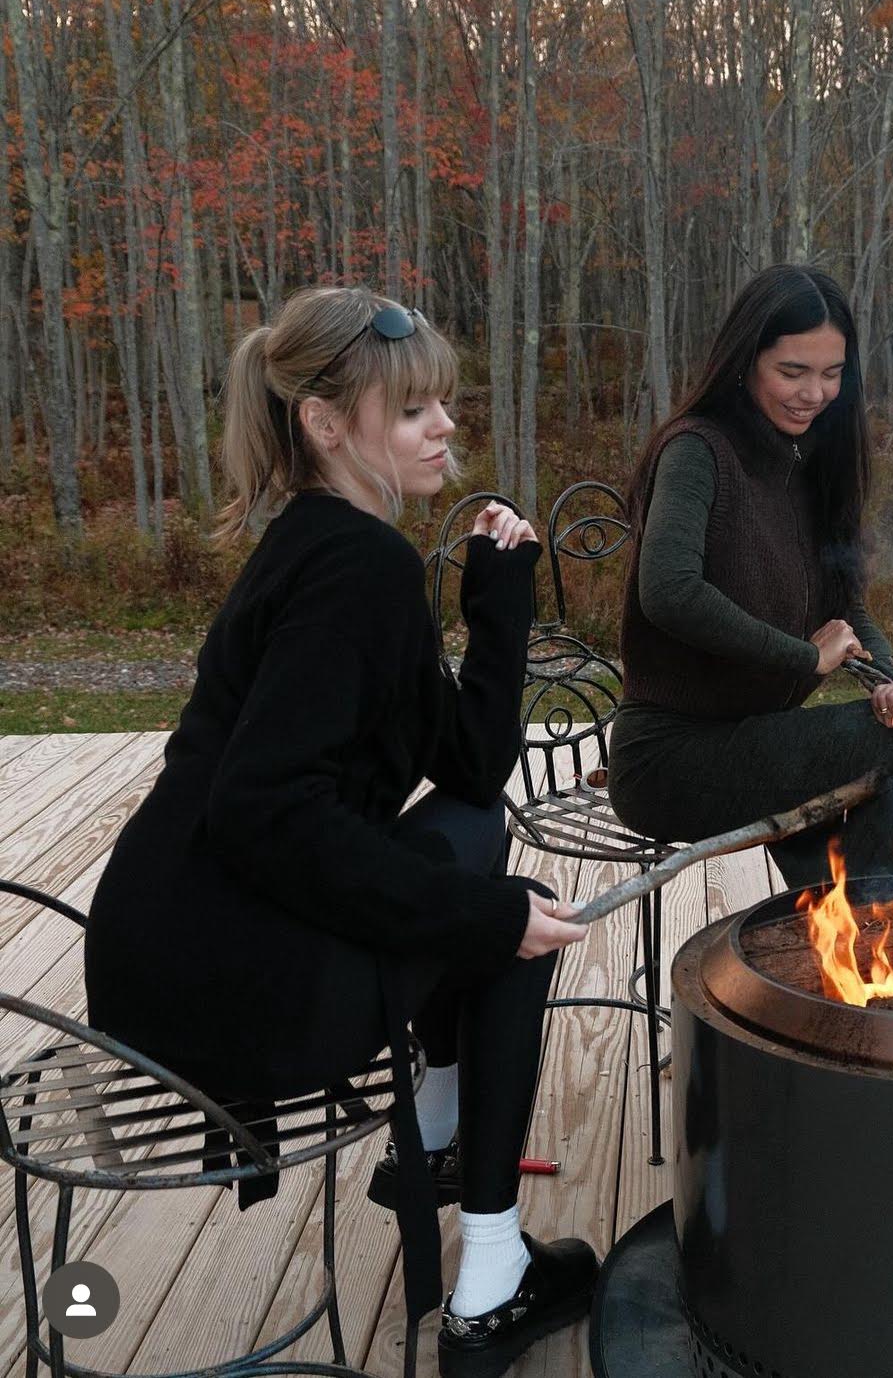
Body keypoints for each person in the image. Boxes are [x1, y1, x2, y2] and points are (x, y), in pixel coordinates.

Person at [84, 286, 597, 1378]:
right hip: (212, 986)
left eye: (443, 405)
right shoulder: (354, 568)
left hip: (162, 953)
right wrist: (483, 913)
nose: (445, 427)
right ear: (326, 424)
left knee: (472, 842)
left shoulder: (342, 550)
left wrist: (497, 599)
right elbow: (265, 811)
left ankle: (448, 1136)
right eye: (413, 411)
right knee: (507, 918)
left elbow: (464, 768)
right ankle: (491, 1276)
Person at [608, 263, 893, 892]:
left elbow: (846, 604)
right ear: (744, 360)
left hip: (757, 742)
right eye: (792, 372)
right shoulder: (697, 449)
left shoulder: (811, 463)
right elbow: (669, 591)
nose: (814, 393)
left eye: (831, 373)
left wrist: (891, 680)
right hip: (671, 761)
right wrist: (805, 658)